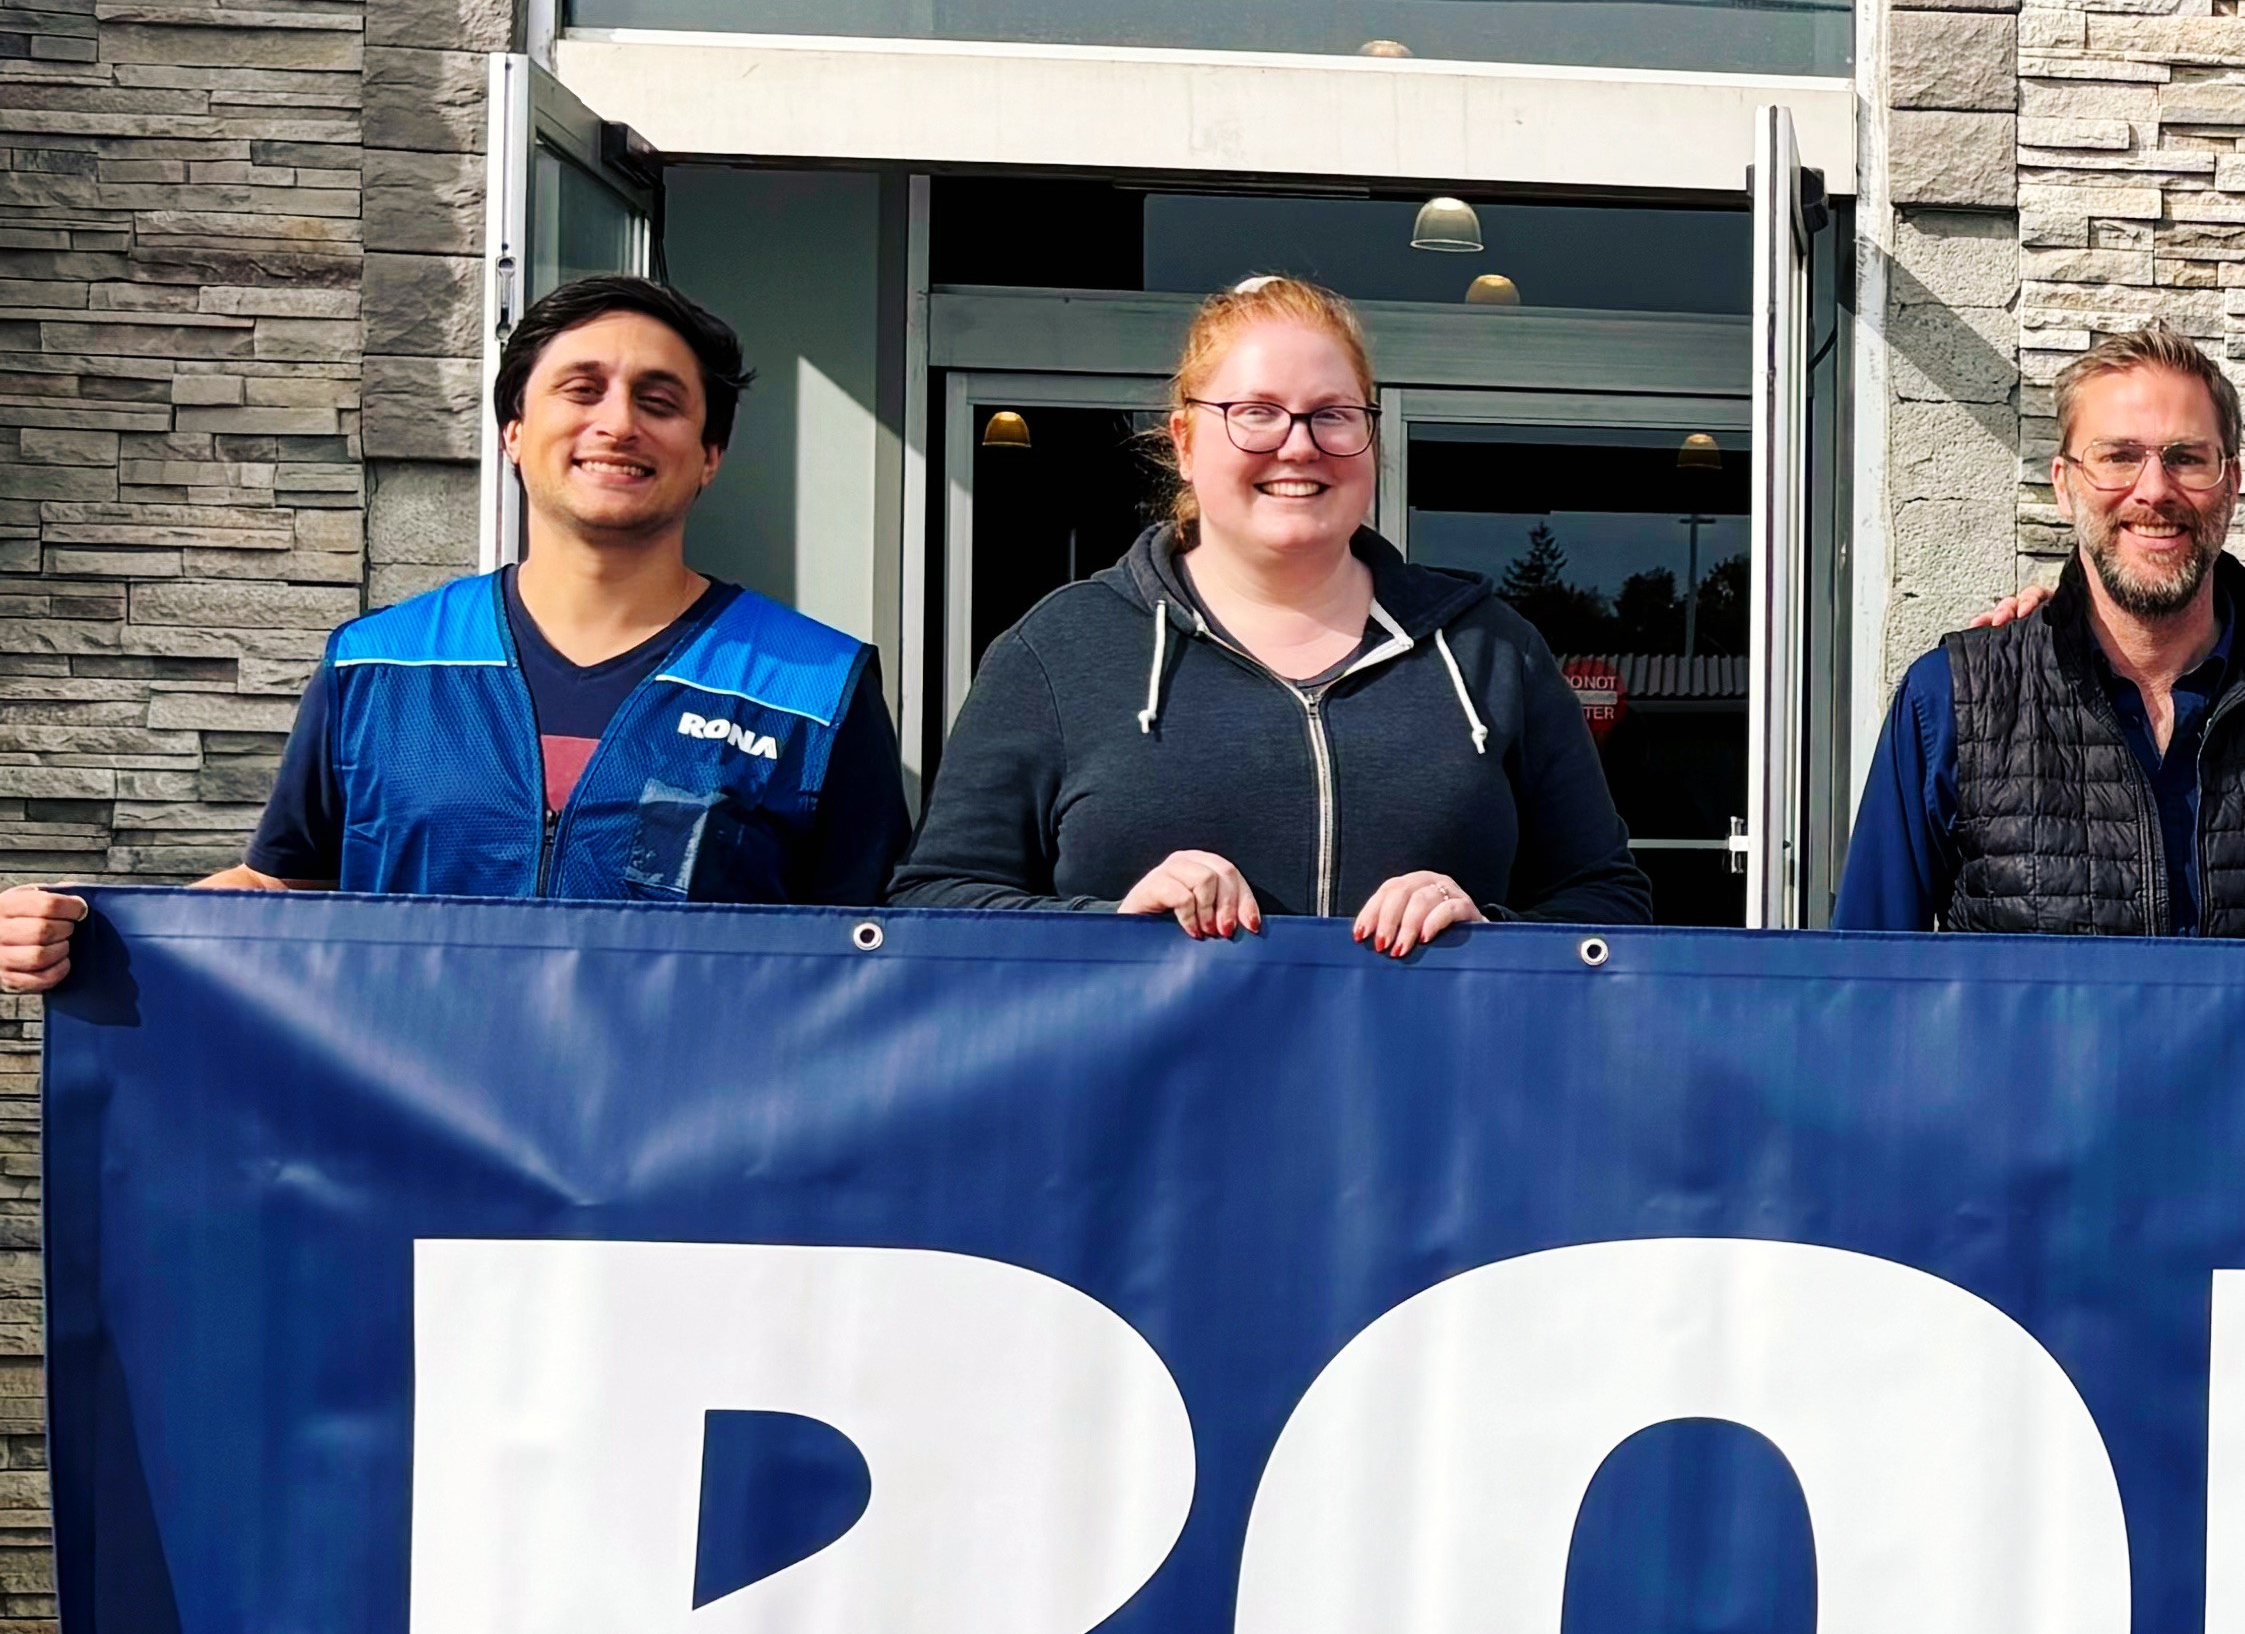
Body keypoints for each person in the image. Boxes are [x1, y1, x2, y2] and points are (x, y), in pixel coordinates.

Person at [0, 271, 903, 990]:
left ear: (710, 455)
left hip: (680, 1178)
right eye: (580, 390)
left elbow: (864, 958)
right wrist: (83, 928)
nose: (617, 422)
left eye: (660, 402)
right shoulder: (377, 666)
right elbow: (283, 888)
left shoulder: (813, 689)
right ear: (514, 431)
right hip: (418, 1163)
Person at [897, 271, 1646, 947]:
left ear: (1370, 439)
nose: (1299, 445)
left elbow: (1611, 903)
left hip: (1422, 1097)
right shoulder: (1060, 650)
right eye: (1256, 412)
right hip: (1148, 1098)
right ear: (1187, 442)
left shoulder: (1491, 651)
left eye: (1333, 415)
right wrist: (1113, 924)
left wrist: (1488, 930)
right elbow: (932, 903)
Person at [1837, 321, 2245, 941]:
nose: (2154, 490)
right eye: (2118, 457)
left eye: (2186, 458)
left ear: (2231, 485)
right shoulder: (1950, 702)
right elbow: (1869, 984)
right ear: (2065, 485)